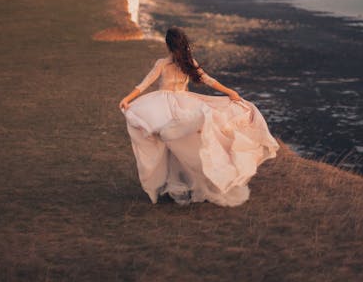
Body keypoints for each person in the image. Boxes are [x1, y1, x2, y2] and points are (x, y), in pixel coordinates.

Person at [119, 26, 279, 207]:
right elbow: (209, 80)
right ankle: (182, 182)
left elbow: (144, 84)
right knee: (186, 141)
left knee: (170, 144)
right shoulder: (189, 63)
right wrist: (230, 92)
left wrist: (128, 98)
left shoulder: (162, 63)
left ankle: (176, 183)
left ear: (167, 45)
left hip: (162, 105)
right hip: (185, 103)